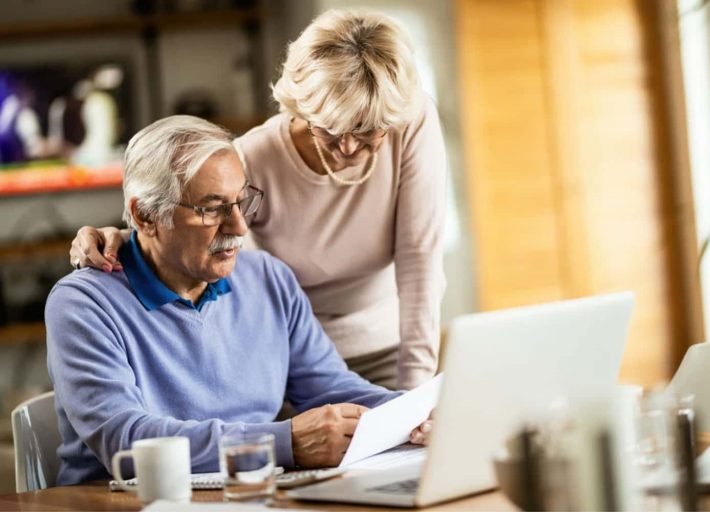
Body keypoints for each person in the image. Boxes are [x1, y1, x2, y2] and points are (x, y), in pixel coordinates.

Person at [68, 9, 447, 391]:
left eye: (367, 132)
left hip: (390, 343)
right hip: (292, 358)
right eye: (330, 130)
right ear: (302, 106)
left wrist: (415, 392)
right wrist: (130, 237)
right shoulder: (250, 160)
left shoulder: (408, 122)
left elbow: (420, 254)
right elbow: (205, 250)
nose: (348, 147)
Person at [47, 115, 430, 485]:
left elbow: (332, 388)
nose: (240, 227)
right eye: (212, 209)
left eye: (241, 202)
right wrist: (282, 443)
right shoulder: (82, 305)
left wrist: (420, 413)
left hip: (254, 494)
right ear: (146, 215)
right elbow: (127, 440)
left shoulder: (269, 279)